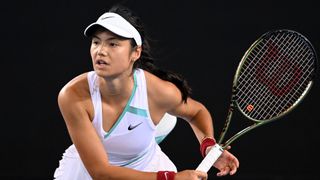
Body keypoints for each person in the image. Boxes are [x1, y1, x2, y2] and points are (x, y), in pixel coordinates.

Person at [54, 4, 239, 180]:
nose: (100, 51)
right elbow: (101, 174)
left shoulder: (157, 91)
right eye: (96, 42)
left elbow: (197, 112)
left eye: (113, 44)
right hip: (92, 171)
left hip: (145, 165)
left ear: (135, 52)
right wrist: (170, 178)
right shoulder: (73, 96)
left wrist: (207, 145)